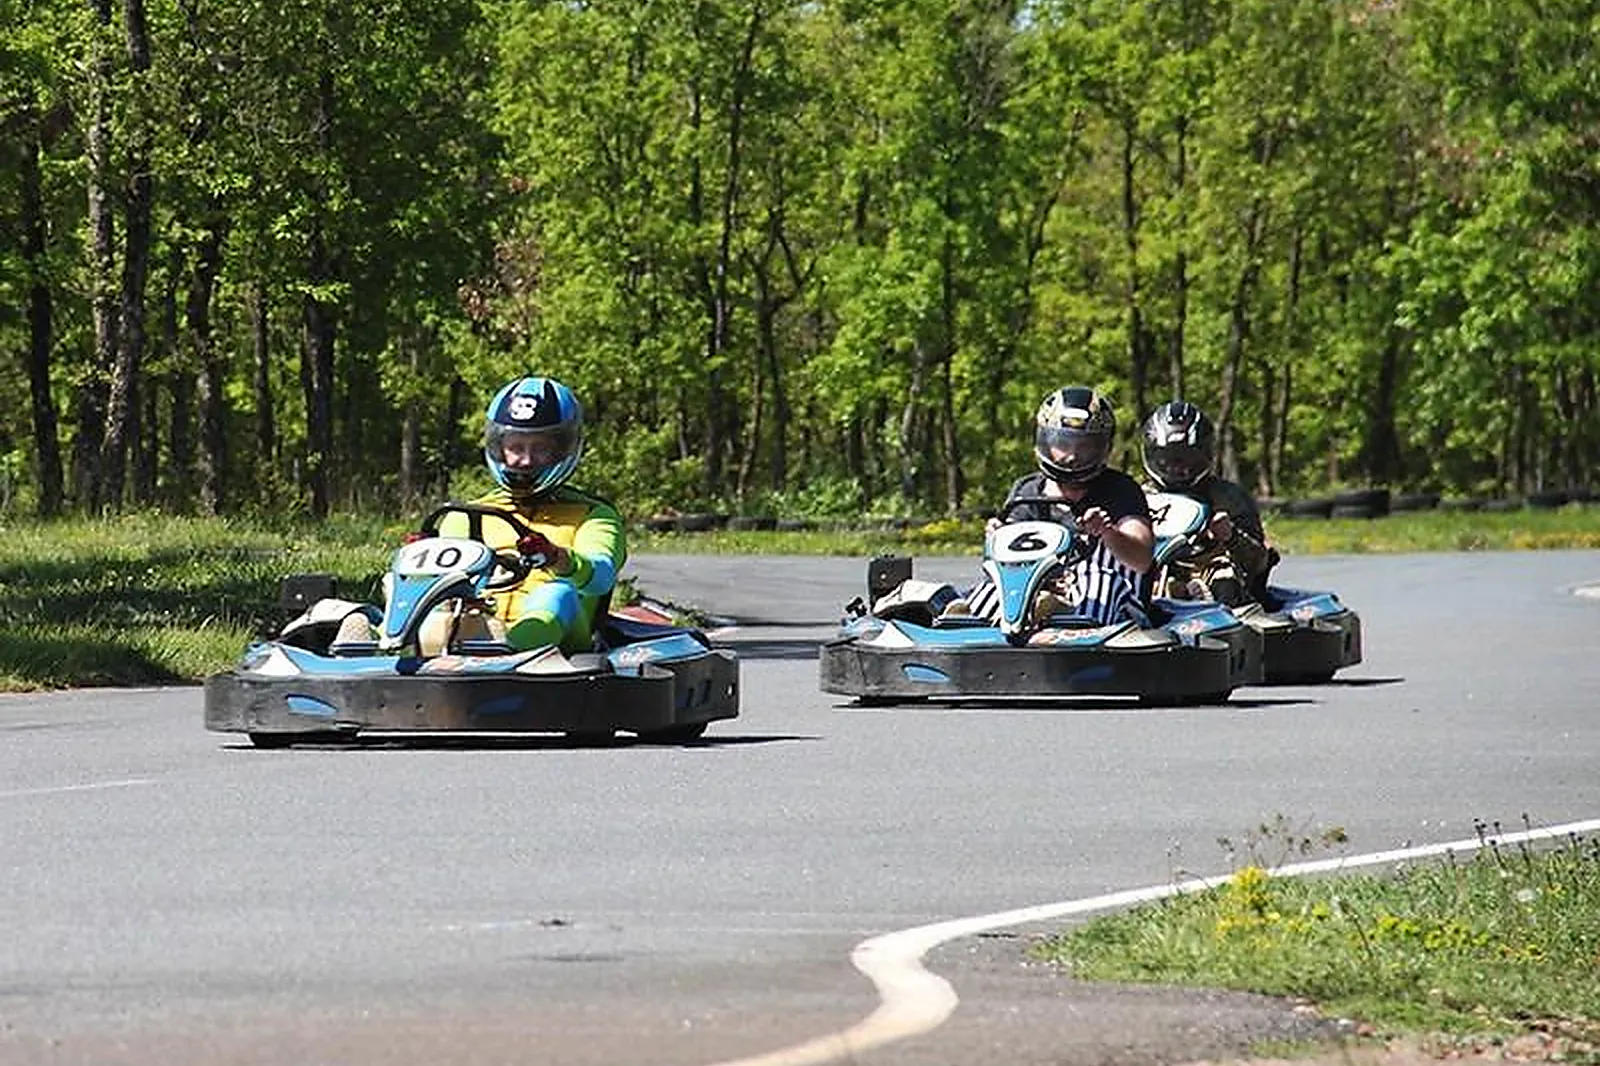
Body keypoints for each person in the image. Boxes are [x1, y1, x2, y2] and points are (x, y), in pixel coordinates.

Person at [338, 376, 626, 654]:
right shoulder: (463, 516)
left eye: (540, 448)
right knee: (416, 594)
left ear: (563, 449)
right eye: (516, 447)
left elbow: (601, 577)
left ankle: (506, 650)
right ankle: (370, 637)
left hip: (562, 643)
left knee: (557, 593)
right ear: (498, 447)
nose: (525, 461)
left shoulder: (594, 516)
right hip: (474, 626)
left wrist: (556, 557)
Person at [945, 385, 1154, 627]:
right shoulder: (1027, 492)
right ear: (1045, 441)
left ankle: (1070, 618)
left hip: (1118, 610)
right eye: (1064, 444)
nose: (1072, 456)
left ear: (1102, 447)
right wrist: (999, 540)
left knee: (1098, 580)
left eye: (1084, 447)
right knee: (994, 589)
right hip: (1039, 594)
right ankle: (968, 624)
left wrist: (1108, 532)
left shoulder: (1120, 489)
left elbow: (1142, 558)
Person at [1140, 399, 1276, 606]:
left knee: (1224, 580)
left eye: (1186, 458)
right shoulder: (1139, 496)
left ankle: (1210, 609)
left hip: (1209, 569)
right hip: (1152, 568)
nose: (1177, 468)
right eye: (1168, 459)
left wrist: (1230, 535)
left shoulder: (1228, 497)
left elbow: (1259, 562)